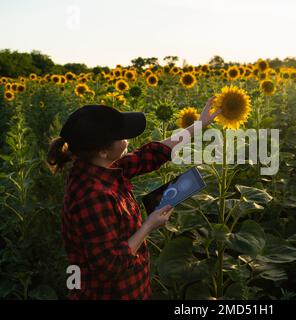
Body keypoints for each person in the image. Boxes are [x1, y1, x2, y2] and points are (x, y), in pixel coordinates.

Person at [46, 98, 220, 299]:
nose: (128, 140)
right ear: (102, 151)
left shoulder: (100, 167)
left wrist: (198, 125)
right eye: (122, 137)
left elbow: (151, 155)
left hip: (131, 287)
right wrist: (148, 226)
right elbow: (110, 266)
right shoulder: (92, 196)